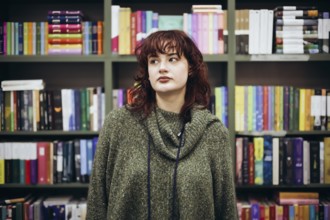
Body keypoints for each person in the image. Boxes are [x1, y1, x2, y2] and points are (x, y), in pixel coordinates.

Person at [86, 30, 237, 220]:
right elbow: (97, 201)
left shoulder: (213, 133)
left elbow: (227, 210)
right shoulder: (118, 124)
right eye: (154, 61)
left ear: (190, 67)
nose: (162, 68)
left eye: (172, 59)